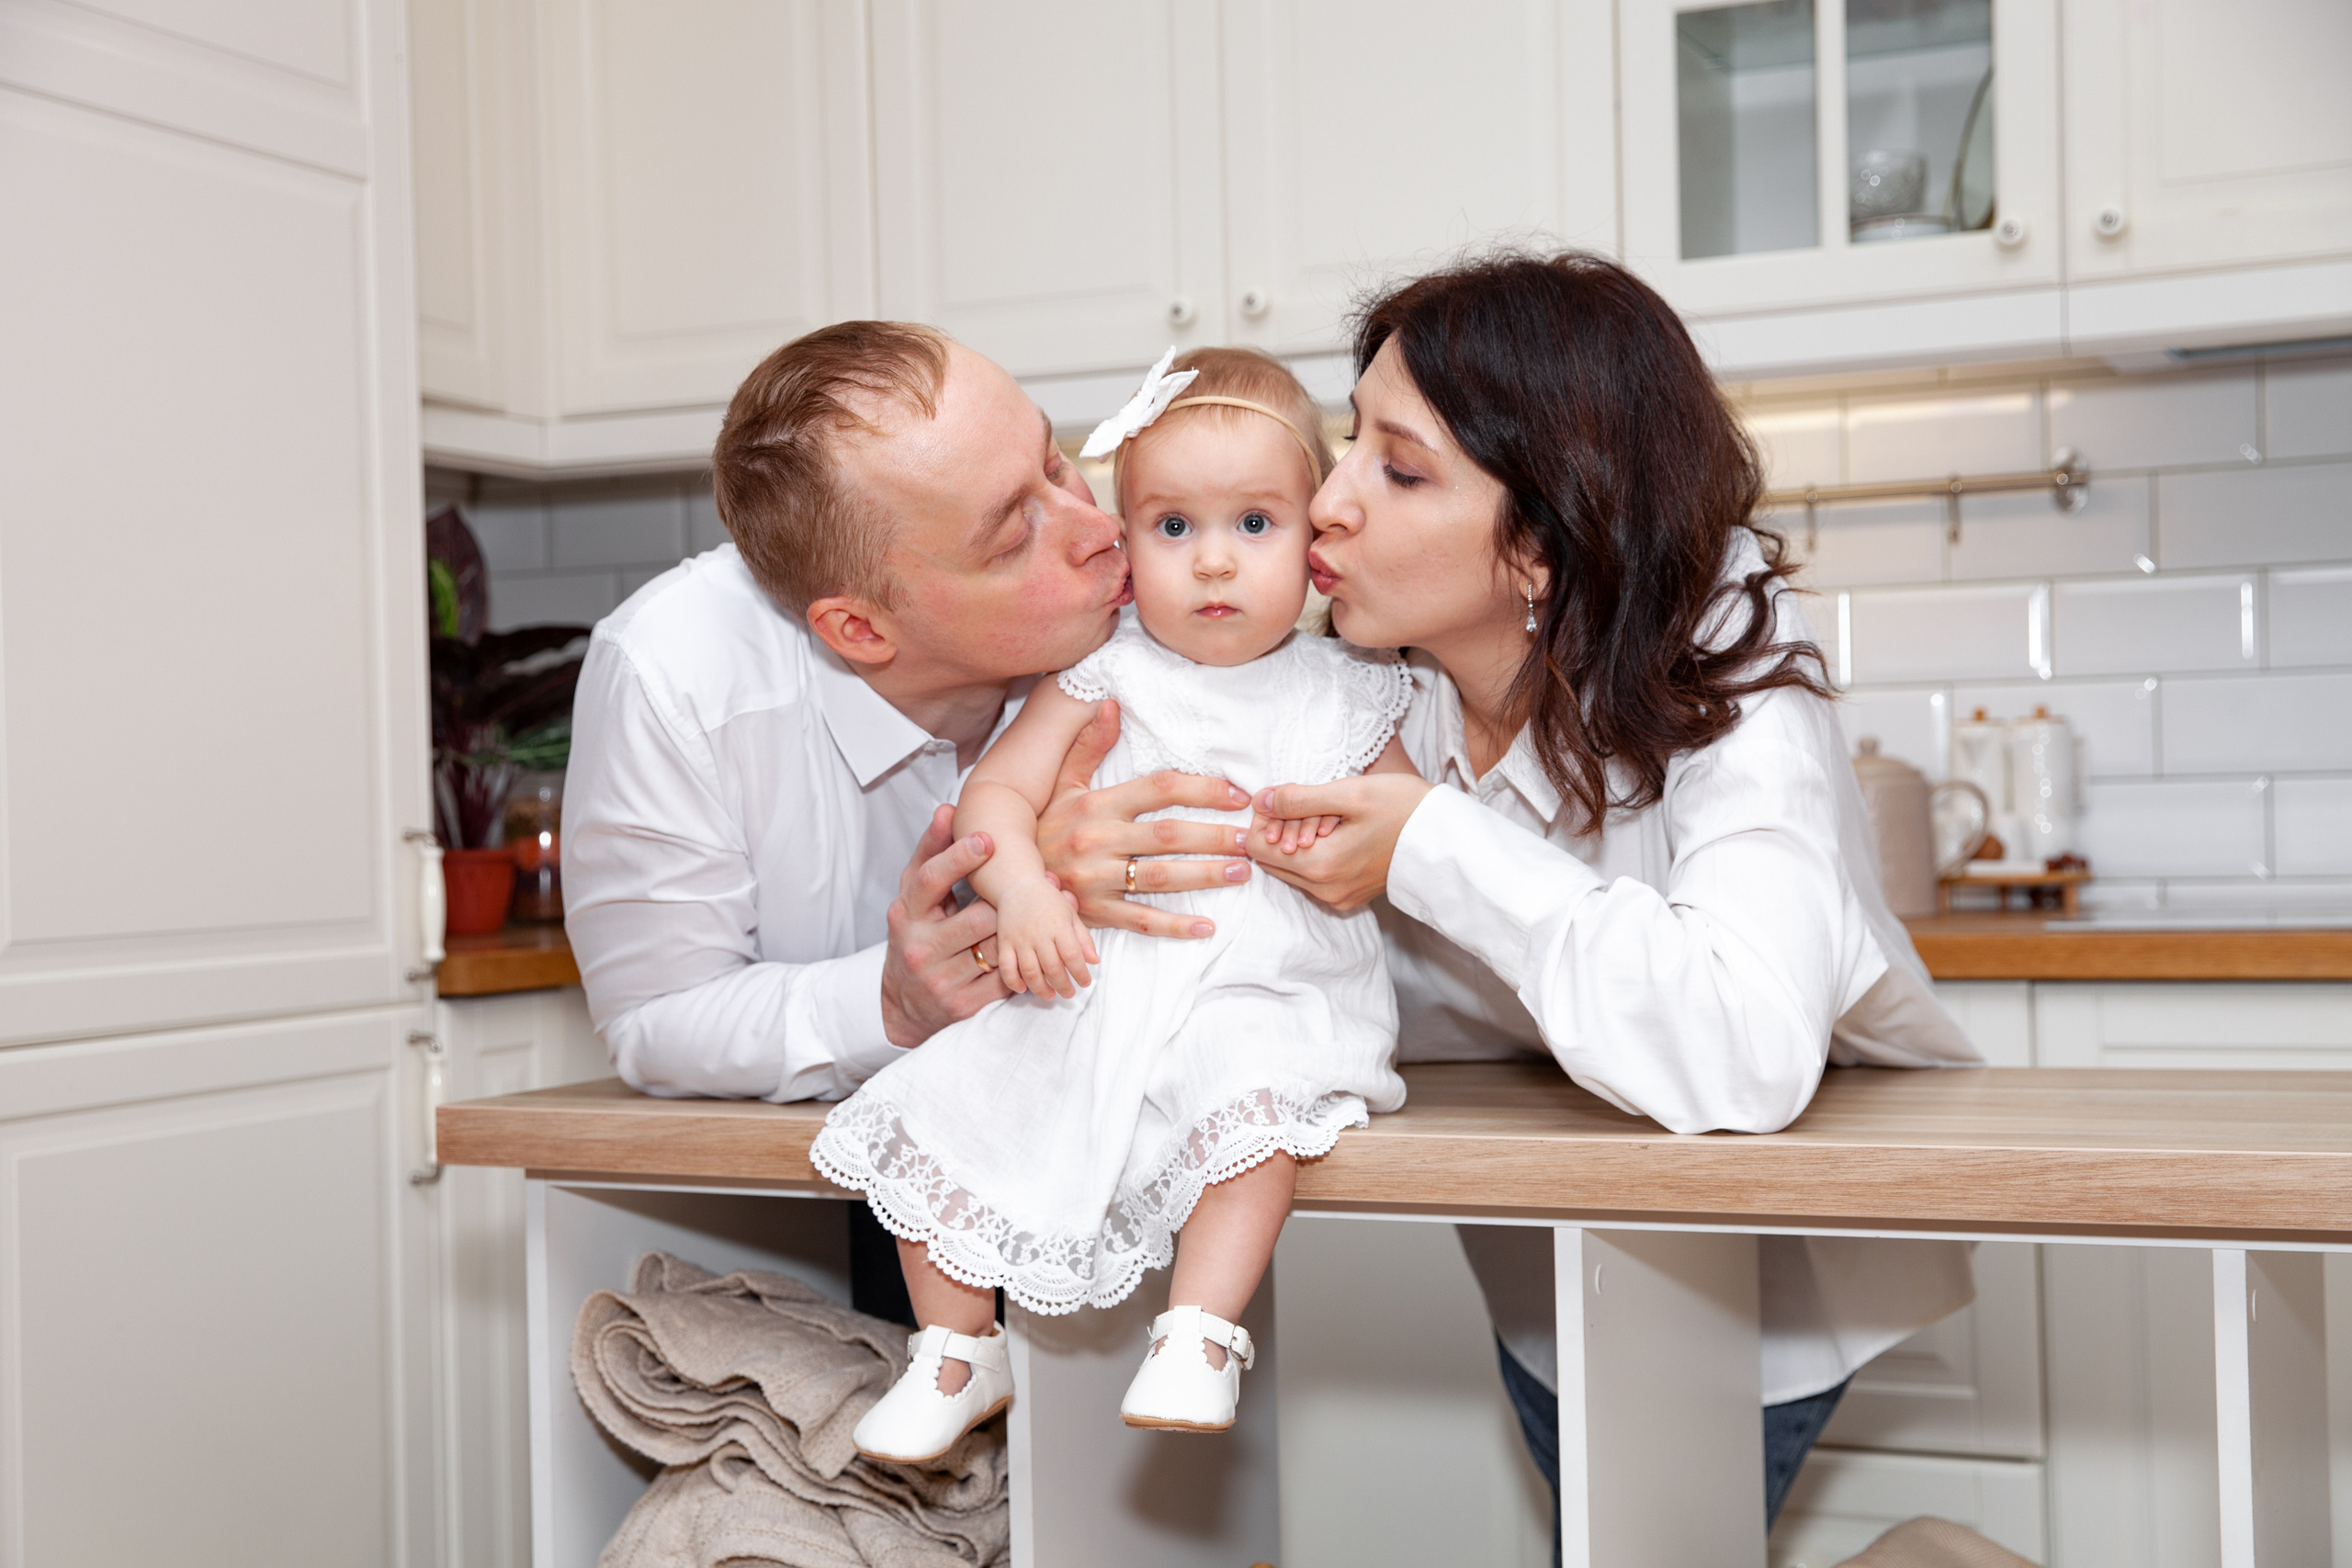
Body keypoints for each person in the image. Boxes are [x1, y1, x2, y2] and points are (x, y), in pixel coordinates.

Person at [1235, 250, 1984, 1540]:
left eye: (1397, 468)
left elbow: (1744, 1052)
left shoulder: (1732, 672)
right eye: (1346, 441)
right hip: (1542, 1266)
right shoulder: (1361, 683)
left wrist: (1431, 842)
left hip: (1764, 1286)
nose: (1326, 502)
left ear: (1538, 538)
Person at [813, 349, 1413, 1464]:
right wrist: (1024, 886)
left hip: (1263, 980)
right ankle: (954, 1350)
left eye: (1255, 524)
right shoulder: (1107, 672)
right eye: (1174, 528)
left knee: (1249, 1099)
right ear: (1129, 549)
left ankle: (1201, 1328)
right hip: (1106, 978)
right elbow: (994, 791)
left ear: (1316, 543)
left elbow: (1414, 829)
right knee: (939, 1097)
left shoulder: (1347, 685)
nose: (1214, 563)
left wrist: (1353, 839)